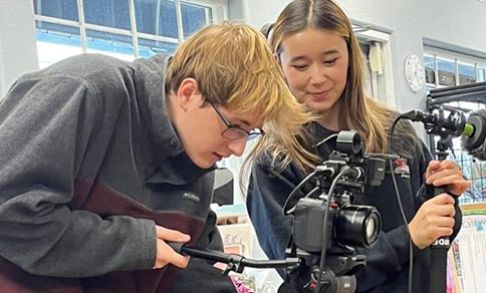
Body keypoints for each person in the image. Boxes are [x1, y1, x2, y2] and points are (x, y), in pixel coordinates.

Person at [0, 22, 312, 292]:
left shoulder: (198, 160)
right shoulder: (83, 91)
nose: (238, 148)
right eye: (234, 127)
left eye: (250, 132)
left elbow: (188, 265)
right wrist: (133, 242)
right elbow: (10, 215)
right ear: (189, 93)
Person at [246, 1, 470, 292]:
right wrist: (407, 239)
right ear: (279, 64)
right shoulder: (275, 161)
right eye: (300, 65)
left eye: (330, 61)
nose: (317, 78)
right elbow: (308, 280)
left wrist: (442, 196)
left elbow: (436, 235)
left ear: (350, 56)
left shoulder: (398, 134)